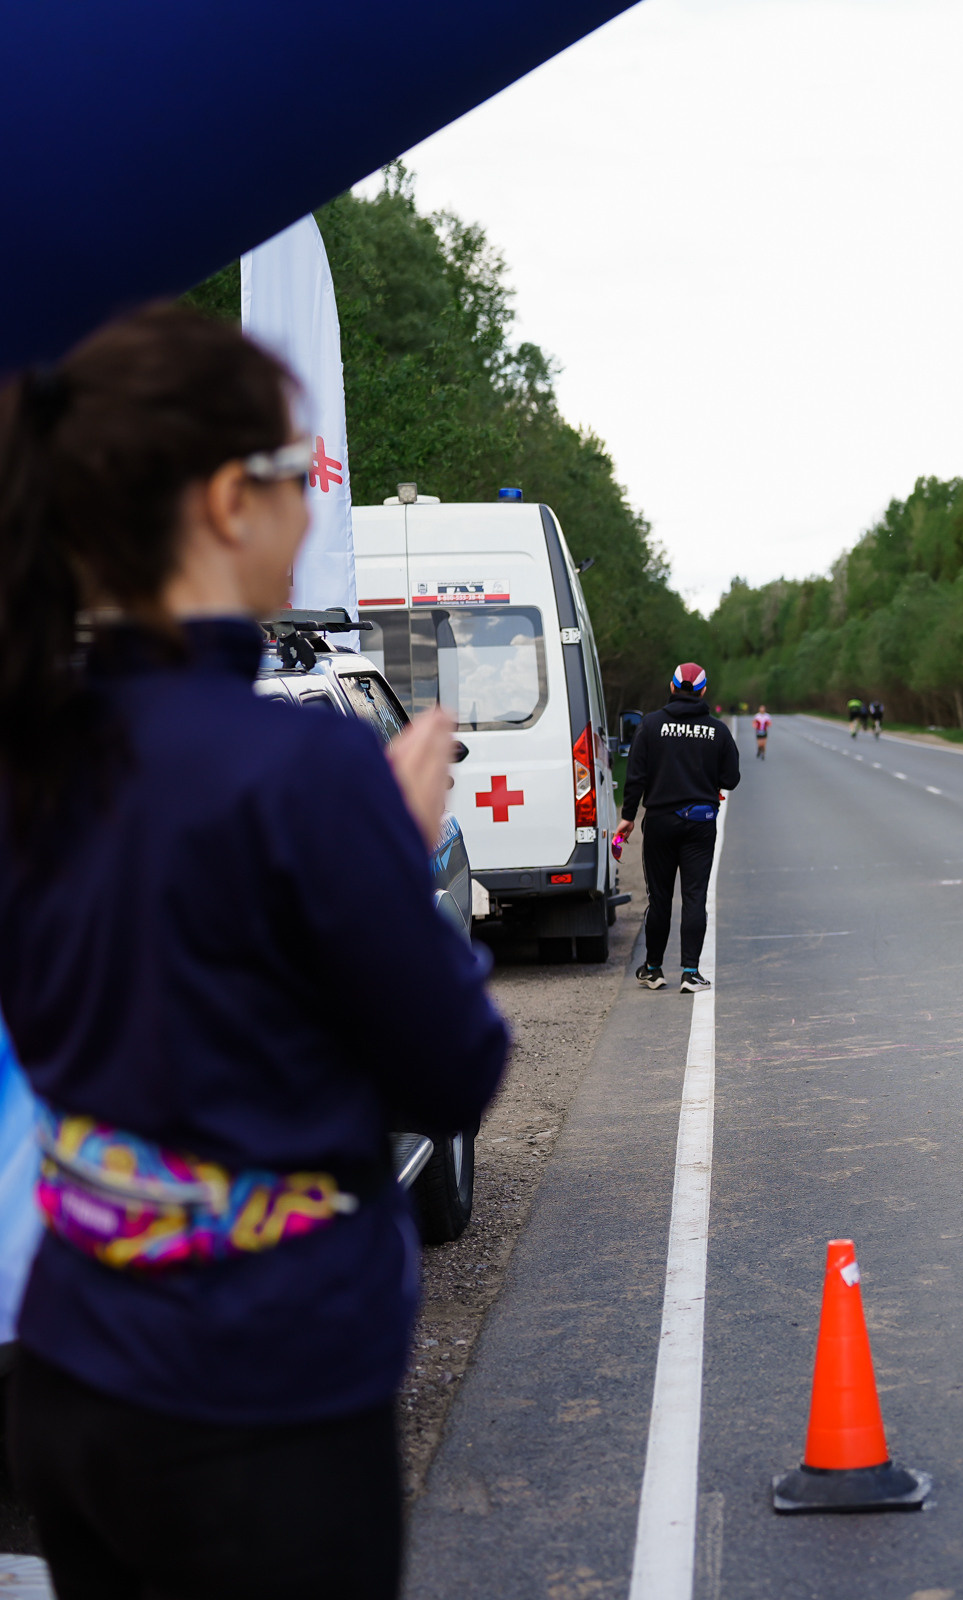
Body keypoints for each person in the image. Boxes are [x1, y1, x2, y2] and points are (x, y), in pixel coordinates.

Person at [0, 306, 509, 1600]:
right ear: (232, 501)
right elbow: (452, 1072)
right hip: (260, 1394)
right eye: (302, 475)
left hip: (67, 1370)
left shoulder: (33, 752)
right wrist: (397, 849)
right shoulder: (304, 767)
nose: (309, 505)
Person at [616, 664, 742, 993]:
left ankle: (654, 969)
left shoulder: (650, 725)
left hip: (659, 823)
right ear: (702, 691)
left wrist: (628, 816)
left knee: (660, 899)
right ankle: (690, 972)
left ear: (671, 687)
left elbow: (636, 776)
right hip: (700, 825)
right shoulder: (717, 731)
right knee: (694, 897)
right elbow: (732, 779)